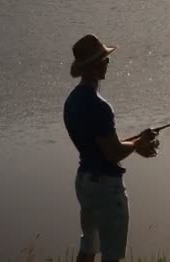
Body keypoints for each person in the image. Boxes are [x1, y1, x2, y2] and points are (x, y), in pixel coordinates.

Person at [63, 34, 159, 262]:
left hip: (85, 182)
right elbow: (113, 153)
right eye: (104, 60)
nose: (108, 63)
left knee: (88, 248)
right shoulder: (100, 107)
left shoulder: (72, 101)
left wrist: (136, 142)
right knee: (112, 255)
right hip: (106, 188)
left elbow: (98, 146)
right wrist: (137, 144)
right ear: (94, 66)